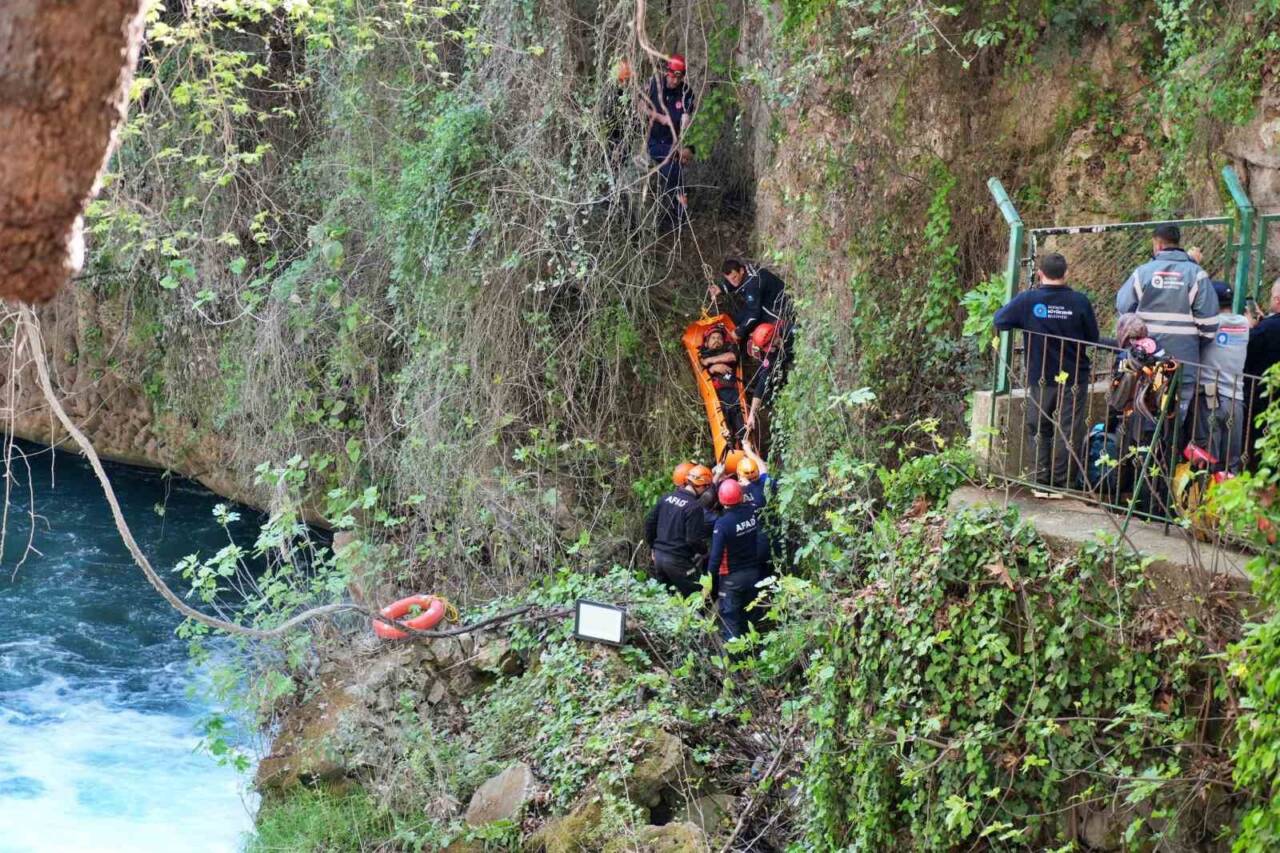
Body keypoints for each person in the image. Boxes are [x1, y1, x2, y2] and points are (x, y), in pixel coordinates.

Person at [994, 252, 1100, 491]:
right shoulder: (1080, 301)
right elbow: (1092, 337)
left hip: (1041, 376)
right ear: (1066, 273)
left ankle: (1041, 480)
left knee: (1038, 426)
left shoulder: (1028, 300)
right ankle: (1063, 482)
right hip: (1074, 377)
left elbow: (1000, 320)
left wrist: (1025, 321)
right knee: (1069, 429)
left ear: (1040, 274)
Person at [1116, 224, 1218, 418]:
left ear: (1158, 245)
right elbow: (1210, 324)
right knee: (1176, 417)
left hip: (1146, 361)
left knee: (1144, 411)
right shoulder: (1197, 274)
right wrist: (1192, 343)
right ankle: (1171, 446)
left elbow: (1123, 307)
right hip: (1183, 363)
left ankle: (1145, 447)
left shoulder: (1143, 273)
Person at [1193, 281, 1249, 473]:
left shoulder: (1209, 324)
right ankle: (1228, 501)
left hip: (1210, 398)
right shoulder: (1244, 324)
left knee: (1208, 458)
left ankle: (1206, 500)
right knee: (1231, 462)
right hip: (1236, 400)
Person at [705, 478, 766, 641]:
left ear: (721, 499)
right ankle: (752, 656)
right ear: (740, 496)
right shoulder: (753, 512)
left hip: (732, 579)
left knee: (731, 621)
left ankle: (734, 662)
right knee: (750, 618)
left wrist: (708, 584)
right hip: (754, 574)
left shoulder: (722, 524)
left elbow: (715, 558)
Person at [641, 54, 694, 231]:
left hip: (673, 143)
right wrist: (658, 117)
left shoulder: (686, 92)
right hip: (654, 141)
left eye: (680, 77)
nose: (675, 81)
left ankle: (679, 215)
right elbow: (640, 105)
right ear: (667, 72)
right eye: (673, 76)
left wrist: (685, 119)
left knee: (674, 171)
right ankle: (676, 213)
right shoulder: (654, 84)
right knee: (674, 169)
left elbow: (687, 113)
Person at [643, 463, 713, 596]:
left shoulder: (666, 498)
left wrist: (653, 547)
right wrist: (704, 551)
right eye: (706, 487)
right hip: (678, 561)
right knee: (697, 597)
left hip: (658, 558)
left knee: (666, 598)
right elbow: (693, 539)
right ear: (701, 486)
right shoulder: (694, 507)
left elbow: (649, 523)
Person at [711, 259, 790, 347]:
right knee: (738, 319)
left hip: (778, 306)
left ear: (741, 270)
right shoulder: (746, 271)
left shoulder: (752, 285)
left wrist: (739, 332)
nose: (733, 282)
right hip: (762, 300)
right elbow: (736, 283)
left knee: (754, 328)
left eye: (734, 277)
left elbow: (754, 314)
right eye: (729, 280)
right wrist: (721, 288)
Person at [1245, 277, 1280, 464]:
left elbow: (1247, 357)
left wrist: (1252, 330)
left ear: (1277, 300)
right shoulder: (1266, 326)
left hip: (1261, 401)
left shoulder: (1264, 330)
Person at [699, 323, 746, 446]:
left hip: (733, 392)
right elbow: (702, 370)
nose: (717, 341)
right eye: (713, 338)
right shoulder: (703, 354)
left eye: (719, 338)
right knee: (725, 429)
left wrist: (712, 362)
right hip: (716, 397)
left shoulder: (729, 349)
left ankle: (746, 450)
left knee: (740, 426)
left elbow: (732, 357)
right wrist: (713, 369)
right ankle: (729, 454)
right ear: (706, 343)